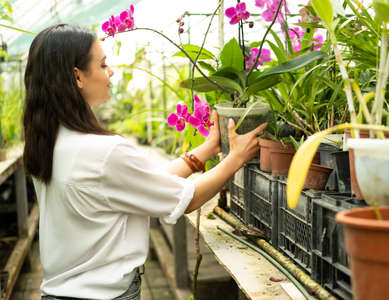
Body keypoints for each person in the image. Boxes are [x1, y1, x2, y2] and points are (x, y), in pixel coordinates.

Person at [23, 24, 266, 300]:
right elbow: (189, 199)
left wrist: (208, 149)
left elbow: (142, 184)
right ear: (77, 76)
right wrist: (237, 158)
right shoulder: (103, 152)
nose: (110, 72)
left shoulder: (49, 142)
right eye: (103, 65)